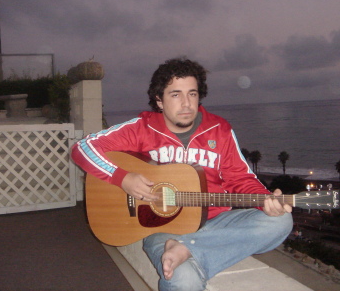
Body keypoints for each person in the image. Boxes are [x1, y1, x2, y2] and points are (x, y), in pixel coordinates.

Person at [71, 57, 293, 291]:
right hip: (162, 229)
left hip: (216, 223)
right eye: (175, 94)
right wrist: (123, 178)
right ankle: (190, 251)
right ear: (159, 100)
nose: (186, 104)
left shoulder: (220, 130)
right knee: (183, 280)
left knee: (281, 221)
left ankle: (188, 248)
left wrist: (266, 200)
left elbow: (241, 178)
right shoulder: (142, 128)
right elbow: (83, 148)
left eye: (192, 94)